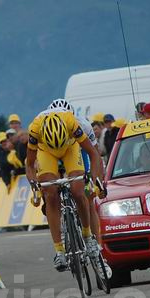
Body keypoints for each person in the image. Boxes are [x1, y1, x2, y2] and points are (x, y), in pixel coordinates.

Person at [25, 105, 104, 272]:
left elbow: (94, 154)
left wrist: (94, 181)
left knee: (78, 191)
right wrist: (34, 186)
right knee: (50, 194)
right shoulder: (35, 129)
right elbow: (30, 164)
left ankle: (88, 236)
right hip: (46, 151)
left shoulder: (72, 122)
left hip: (70, 147)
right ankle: (59, 250)